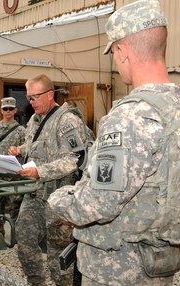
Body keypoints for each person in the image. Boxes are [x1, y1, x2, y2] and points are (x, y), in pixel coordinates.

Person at [48, 1, 179, 285]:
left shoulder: (129, 117)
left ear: (122, 50)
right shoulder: (175, 108)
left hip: (116, 269)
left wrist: (59, 199)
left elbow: (98, 204)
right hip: (161, 264)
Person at [8, 74, 88, 286]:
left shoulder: (67, 120)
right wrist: (20, 150)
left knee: (57, 254)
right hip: (34, 194)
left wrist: (40, 171)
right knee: (24, 242)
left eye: (35, 97)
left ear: (50, 94)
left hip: (59, 198)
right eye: (29, 98)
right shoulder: (34, 120)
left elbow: (76, 159)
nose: (31, 102)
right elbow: (36, 145)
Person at [0, 97, 25, 226]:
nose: (8, 111)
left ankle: (15, 229)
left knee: (15, 203)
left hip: (13, 174)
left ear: (15, 110)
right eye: (5, 109)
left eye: (11, 109)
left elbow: (25, 152)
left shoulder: (21, 131)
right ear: (1, 110)